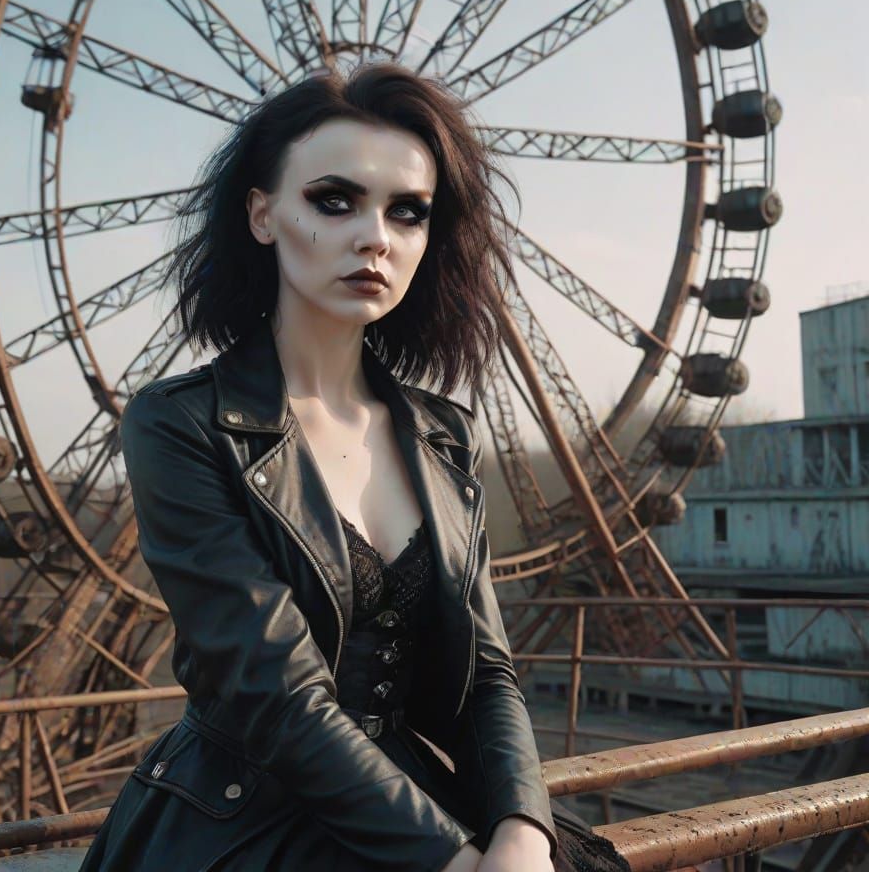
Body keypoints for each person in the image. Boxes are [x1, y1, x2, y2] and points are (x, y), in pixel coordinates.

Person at [79, 62, 630, 871]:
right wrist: (450, 859)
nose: (375, 235)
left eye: (407, 213)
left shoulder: (445, 434)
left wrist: (520, 829)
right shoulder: (179, 422)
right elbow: (276, 695)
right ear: (262, 215)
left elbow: (487, 673)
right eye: (333, 201)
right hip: (242, 823)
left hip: (404, 796)